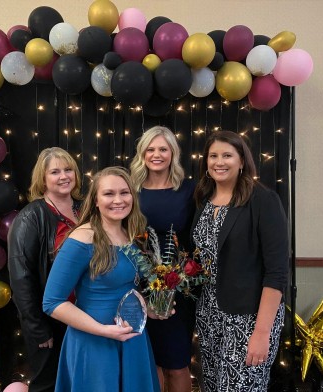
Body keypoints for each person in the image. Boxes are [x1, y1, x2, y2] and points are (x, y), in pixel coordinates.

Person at [42, 166, 160, 392]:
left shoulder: (130, 234)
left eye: (124, 193)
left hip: (132, 339)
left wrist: (149, 309)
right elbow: (52, 302)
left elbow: (128, 284)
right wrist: (103, 330)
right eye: (109, 194)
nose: (118, 200)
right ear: (96, 200)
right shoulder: (83, 238)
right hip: (95, 344)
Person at [191, 130, 289, 391]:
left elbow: (277, 273)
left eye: (227, 155)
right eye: (213, 156)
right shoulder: (204, 200)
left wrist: (262, 333)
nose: (219, 162)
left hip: (247, 319)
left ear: (242, 161)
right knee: (212, 386)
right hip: (209, 316)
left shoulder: (263, 200)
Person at [8, 147, 82, 392]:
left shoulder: (88, 210)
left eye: (68, 169)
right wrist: (37, 328)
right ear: (43, 178)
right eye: (55, 171)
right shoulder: (31, 217)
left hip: (86, 317)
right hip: (50, 320)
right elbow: (21, 278)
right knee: (48, 384)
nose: (64, 176)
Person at [130, 126, 196, 392]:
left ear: (173, 153)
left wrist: (182, 278)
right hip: (138, 284)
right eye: (151, 149)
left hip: (177, 285)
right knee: (149, 361)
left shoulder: (189, 189)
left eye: (163, 149)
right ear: (142, 153)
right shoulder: (130, 190)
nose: (156, 154)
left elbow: (195, 239)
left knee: (178, 363)